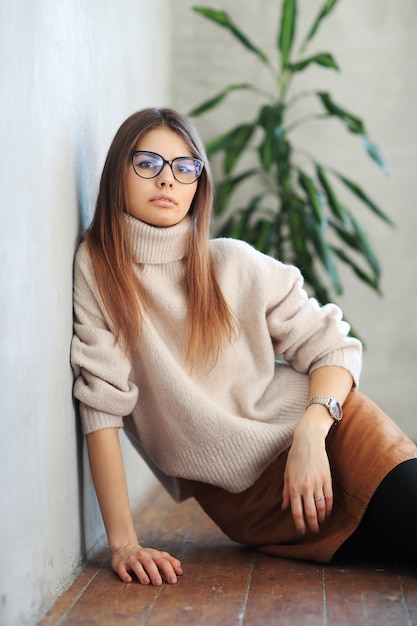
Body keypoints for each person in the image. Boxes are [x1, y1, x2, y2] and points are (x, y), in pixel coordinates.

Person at [71, 107, 417, 587]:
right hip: (252, 504)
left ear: (199, 184)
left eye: (184, 167)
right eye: (147, 163)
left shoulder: (233, 264)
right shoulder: (99, 268)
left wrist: (311, 435)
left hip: (331, 435)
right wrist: (124, 543)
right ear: (117, 174)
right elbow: (101, 406)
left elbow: (334, 347)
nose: (167, 180)